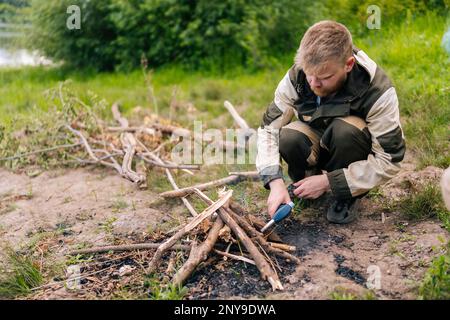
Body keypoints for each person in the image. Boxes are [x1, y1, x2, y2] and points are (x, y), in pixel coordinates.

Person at [256, 20, 406, 224]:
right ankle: (305, 184)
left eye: (325, 77)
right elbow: (268, 130)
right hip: (317, 139)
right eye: (310, 74)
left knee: (345, 132)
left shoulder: (377, 91)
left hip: (350, 146)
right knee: (288, 136)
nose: (314, 83)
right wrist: (274, 182)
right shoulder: (297, 76)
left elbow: (390, 159)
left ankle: (346, 195)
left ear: (348, 65)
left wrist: (329, 182)